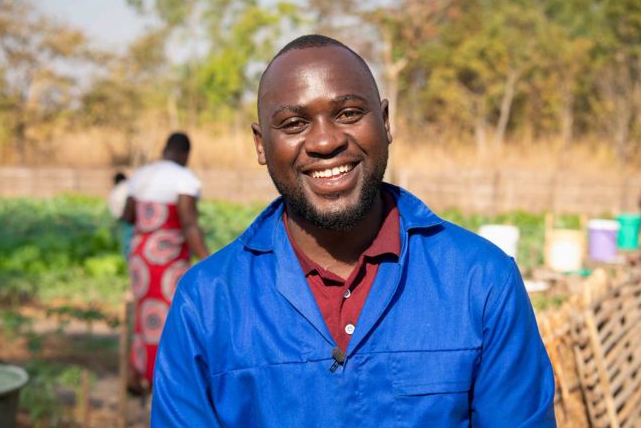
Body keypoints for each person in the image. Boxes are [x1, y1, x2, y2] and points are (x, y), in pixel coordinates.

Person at [151, 35, 555, 426]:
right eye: (294, 123)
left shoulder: (481, 283)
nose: (325, 141)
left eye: (347, 114)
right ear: (261, 144)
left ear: (384, 122)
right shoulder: (205, 303)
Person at [122, 132, 210, 394]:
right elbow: (189, 223)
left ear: (165, 149)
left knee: (145, 316)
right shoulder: (184, 178)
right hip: (166, 260)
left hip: (140, 258)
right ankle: (163, 378)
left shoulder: (142, 175)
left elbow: (127, 215)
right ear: (185, 154)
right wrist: (208, 263)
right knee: (170, 318)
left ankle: (140, 371)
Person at [107, 171, 134, 259]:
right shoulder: (130, 186)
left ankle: (127, 259)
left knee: (126, 241)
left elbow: (114, 210)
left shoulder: (115, 191)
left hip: (123, 219)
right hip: (134, 218)